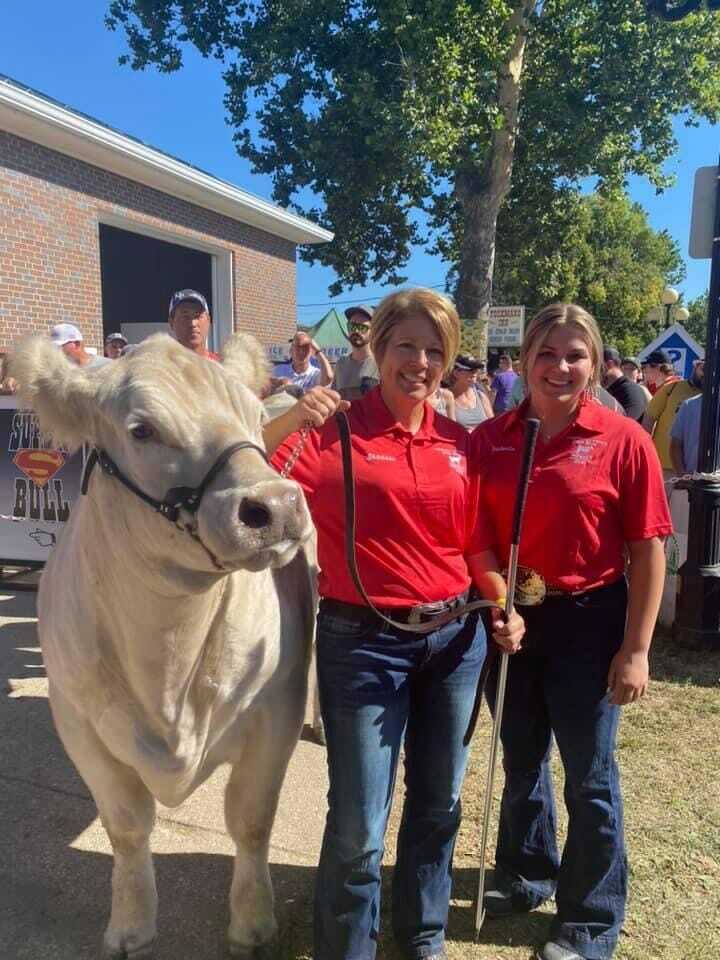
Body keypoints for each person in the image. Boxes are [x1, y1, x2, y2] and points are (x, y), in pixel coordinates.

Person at [263, 287, 523, 960]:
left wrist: (501, 601)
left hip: (456, 642)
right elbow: (247, 475)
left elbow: (475, 546)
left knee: (437, 809)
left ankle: (421, 938)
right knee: (358, 827)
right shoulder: (333, 428)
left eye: (435, 349)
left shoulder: (459, 442)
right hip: (363, 643)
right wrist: (291, 418)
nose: (421, 361)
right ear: (377, 349)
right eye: (406, 344)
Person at [470, 303, 671, 960]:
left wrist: (636, 650)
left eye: (575, 355)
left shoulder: (623, 438)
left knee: (589, 773)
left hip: (590, 619)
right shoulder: (491, 437)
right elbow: (476, 538)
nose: (560, 368)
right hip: (513, 619)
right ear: (525, 359)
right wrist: (499, 605)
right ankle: (528, 874)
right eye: (547, 354)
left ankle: (590, 916)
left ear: (594, 362)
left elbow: (648, 551)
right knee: (522, 759)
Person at [642, 357, 703, 477]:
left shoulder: (713, 397)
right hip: (663, 465)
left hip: (695, 470)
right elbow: (648, 422)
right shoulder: (672, 388)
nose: (705, 374)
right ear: (695, 366)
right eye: (703, 369)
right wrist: (645, 455)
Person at [333, 305, 380, 400]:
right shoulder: (341, 363)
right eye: (352, 326)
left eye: (362, 327)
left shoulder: (381, 364)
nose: (356, 331)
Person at [167, 289, 219, 360]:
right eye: (185, 316)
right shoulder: (162, 368)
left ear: (208, 320)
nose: (193, 323)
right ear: (171, 322)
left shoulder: (223, 366)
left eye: (198, 316)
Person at [602, 347, 647, 421]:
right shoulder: (611, 389)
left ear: (609, 365)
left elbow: (626, 424)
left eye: (596, 365)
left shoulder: (631, 391)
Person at [450, 355, 494, 430]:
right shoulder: (446, 397)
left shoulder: (481, 396)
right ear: (456, 373)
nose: (474, 373)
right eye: (470, 369)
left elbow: (492, 426)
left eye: (476, 370)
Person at [670, 392, 704, 476]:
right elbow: (675, 445)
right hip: (692, 480)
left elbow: (675, 445)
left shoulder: (689, 405)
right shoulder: (689, 405)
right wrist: (681, 474)